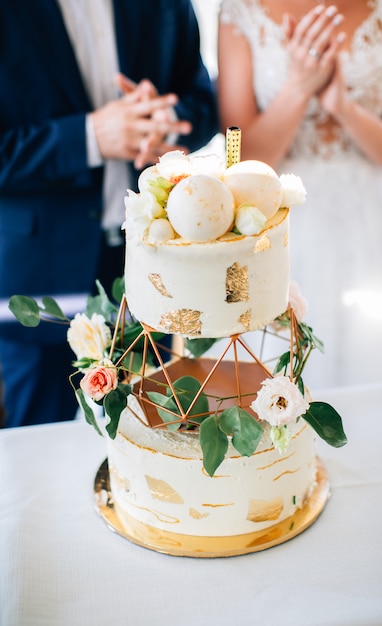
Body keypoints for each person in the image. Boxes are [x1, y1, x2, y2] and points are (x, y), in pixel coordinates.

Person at [0, 0, 219, 428]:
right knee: (40, 440)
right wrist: (88, 137)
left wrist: (167, 118)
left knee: (154, 431)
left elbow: (204, 102)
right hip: (40, 272)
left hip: (153, 262)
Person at [217, 0, 382, 389]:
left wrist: (343, 108)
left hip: (372, 219)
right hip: (279, 218)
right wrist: (299, 86)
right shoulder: (239, 11)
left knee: (380, 362)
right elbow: (237, 156)